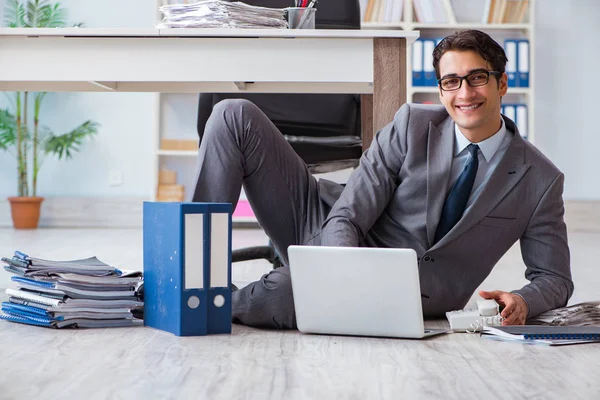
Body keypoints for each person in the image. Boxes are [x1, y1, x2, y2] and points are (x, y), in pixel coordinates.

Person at [190, 29, 573, 330]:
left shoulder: (540, 180)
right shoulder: (411, 125)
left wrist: (523, 300)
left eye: (476, 79)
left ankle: (203, 301)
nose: (464, 93)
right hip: (324, 223)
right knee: (232, 114)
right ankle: (192, 274)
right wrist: (340, 270)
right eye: (451, 82)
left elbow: (554, 278)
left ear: (501, 84)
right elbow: (347, 216)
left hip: (409, 292)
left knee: (285, 295)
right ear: (440, 89)